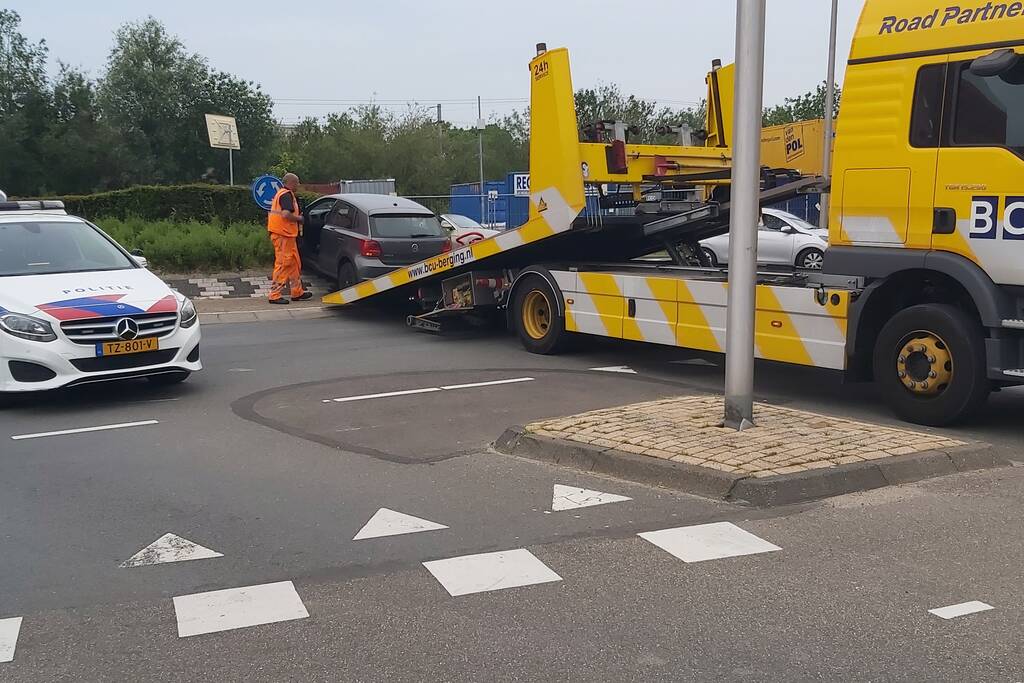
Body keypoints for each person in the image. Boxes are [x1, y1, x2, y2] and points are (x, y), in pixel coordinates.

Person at [266, 173, 312, 304]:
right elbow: (286, 214)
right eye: (297, 183)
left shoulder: (283, 194)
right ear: (291, 183)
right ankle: (274, 295)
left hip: (286, 235)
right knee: (283, 264)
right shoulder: (286, 195)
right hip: (282, 235)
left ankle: (297, 292)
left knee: (294, 264)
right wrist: (299, 219)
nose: (298, 185)